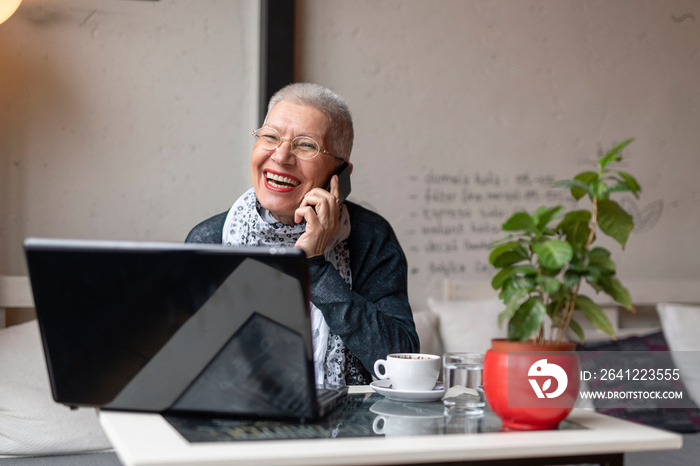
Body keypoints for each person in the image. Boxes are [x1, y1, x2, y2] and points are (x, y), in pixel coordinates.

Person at [186, 83, 419, 386]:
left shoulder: (369, 238)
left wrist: (315, 267)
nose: (281, 156)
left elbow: (401, 362)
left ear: (339, 175)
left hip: (351, 428)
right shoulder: (211, 239)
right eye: (270, 137)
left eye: (306, 145)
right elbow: (188, 368)